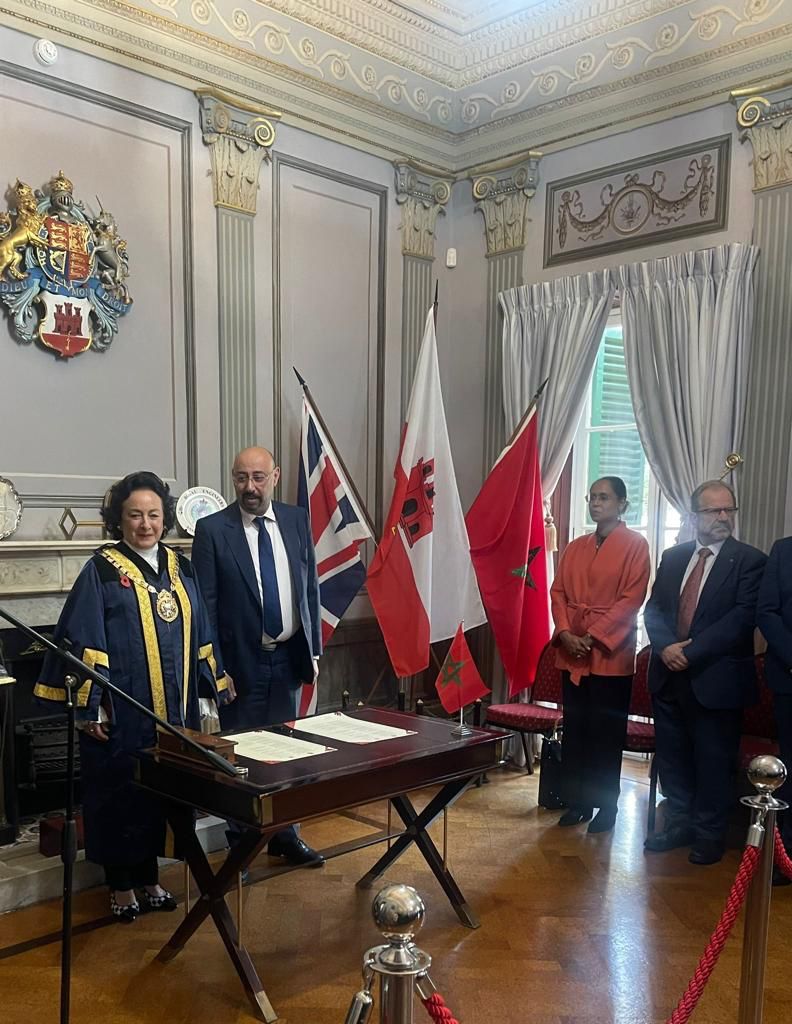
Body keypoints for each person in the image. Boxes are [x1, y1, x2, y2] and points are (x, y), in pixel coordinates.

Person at [34, 471, 229, 922]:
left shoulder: (181, 567)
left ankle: (150, 877)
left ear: (165, 518)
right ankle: (121, 885)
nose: (146, 524)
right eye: (135, 515)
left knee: (163, 794)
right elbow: (83, 636)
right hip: (122, 712)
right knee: (121, 796)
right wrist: (90, 708)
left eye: (154, 515)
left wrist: (208, 687)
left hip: (175, 713)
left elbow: (202, 629)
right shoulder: (101, 569)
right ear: (119, 519)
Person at [191, 446, 324, 868]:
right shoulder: (213, 530)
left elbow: (310, 588)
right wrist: (216, 671)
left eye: (258, 477)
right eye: (241, 478)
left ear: (275, 476)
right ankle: (241, 848)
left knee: (287, 753)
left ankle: (286, 836)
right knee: (242, 759)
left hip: (288, 661)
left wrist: (314, 649)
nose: (249, 487)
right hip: (239, 668)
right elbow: (205, 609)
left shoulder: (296, 520)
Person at [644, 481, 766, 865]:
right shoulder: (674, 557)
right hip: (668, 676)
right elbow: (654, 610)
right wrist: (665, 647)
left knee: (714, 762)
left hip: (716, 680)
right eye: (714, 510)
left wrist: (689, 652)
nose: (723, 517)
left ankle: (710, 836)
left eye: (729, 509)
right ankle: (678, 823)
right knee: (673, 758)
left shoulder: (749, 560)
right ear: (694, 516)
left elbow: (741, 619)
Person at [550, 476, 650, 833]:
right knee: (576, 730)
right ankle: (576, 801)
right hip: (573, 652)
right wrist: (565, 633)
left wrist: (591, 637)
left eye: (604, 497)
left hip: (610, 655)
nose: (595, 503)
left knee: (606, 736)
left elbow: (631, 601)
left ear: (623, 504)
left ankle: (607, 806)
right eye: (592, 497)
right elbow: (558, 592)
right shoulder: (575, 546)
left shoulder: (636, 545)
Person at [756, 536, 792, 882]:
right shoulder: (783, 550)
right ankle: (786, 856)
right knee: (790, 768)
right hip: (788, 676)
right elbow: (766, 611)